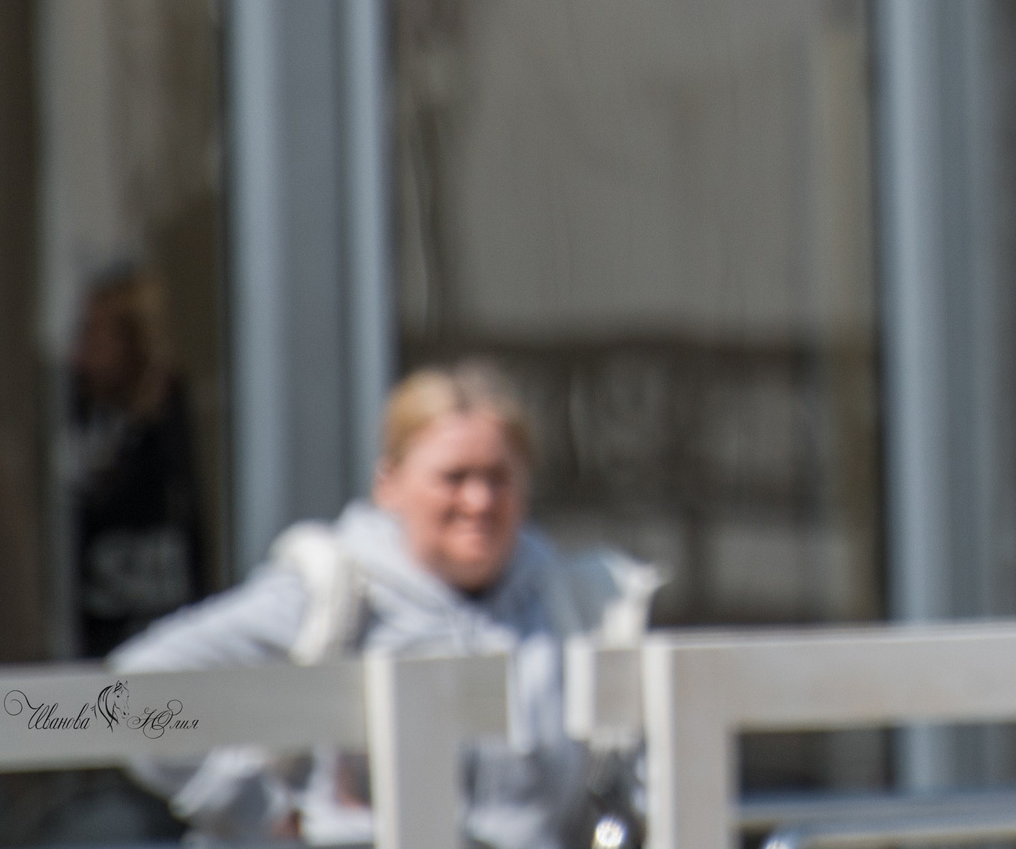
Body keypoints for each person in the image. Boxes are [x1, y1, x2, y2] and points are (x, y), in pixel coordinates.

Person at [115, 361, 661, 848]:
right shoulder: (332, 591)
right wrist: (260, 808)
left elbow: (642, 777)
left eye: (499, 478)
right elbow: (132, 692)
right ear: (390, 485)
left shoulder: (581, 600)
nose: (479, 501)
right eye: (454, 478)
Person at [65, 263, 207, 656]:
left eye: (93, 334)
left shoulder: (174, 429)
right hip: (83, 647)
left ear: (134, 341)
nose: (78, 354)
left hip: (156, 637)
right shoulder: (67, 417)